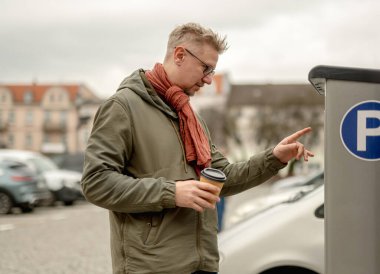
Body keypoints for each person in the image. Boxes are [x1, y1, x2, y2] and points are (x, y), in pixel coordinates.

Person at [81, 22, 314, 274]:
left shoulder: (190, 115)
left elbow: (222, 178)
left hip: (202, 264)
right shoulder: (123, 107)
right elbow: (96, 182)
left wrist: (273, 158)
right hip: (153, 267)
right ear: (179, 55)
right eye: (205, 68)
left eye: (213, 70)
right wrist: (172, 192)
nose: (209, 79)